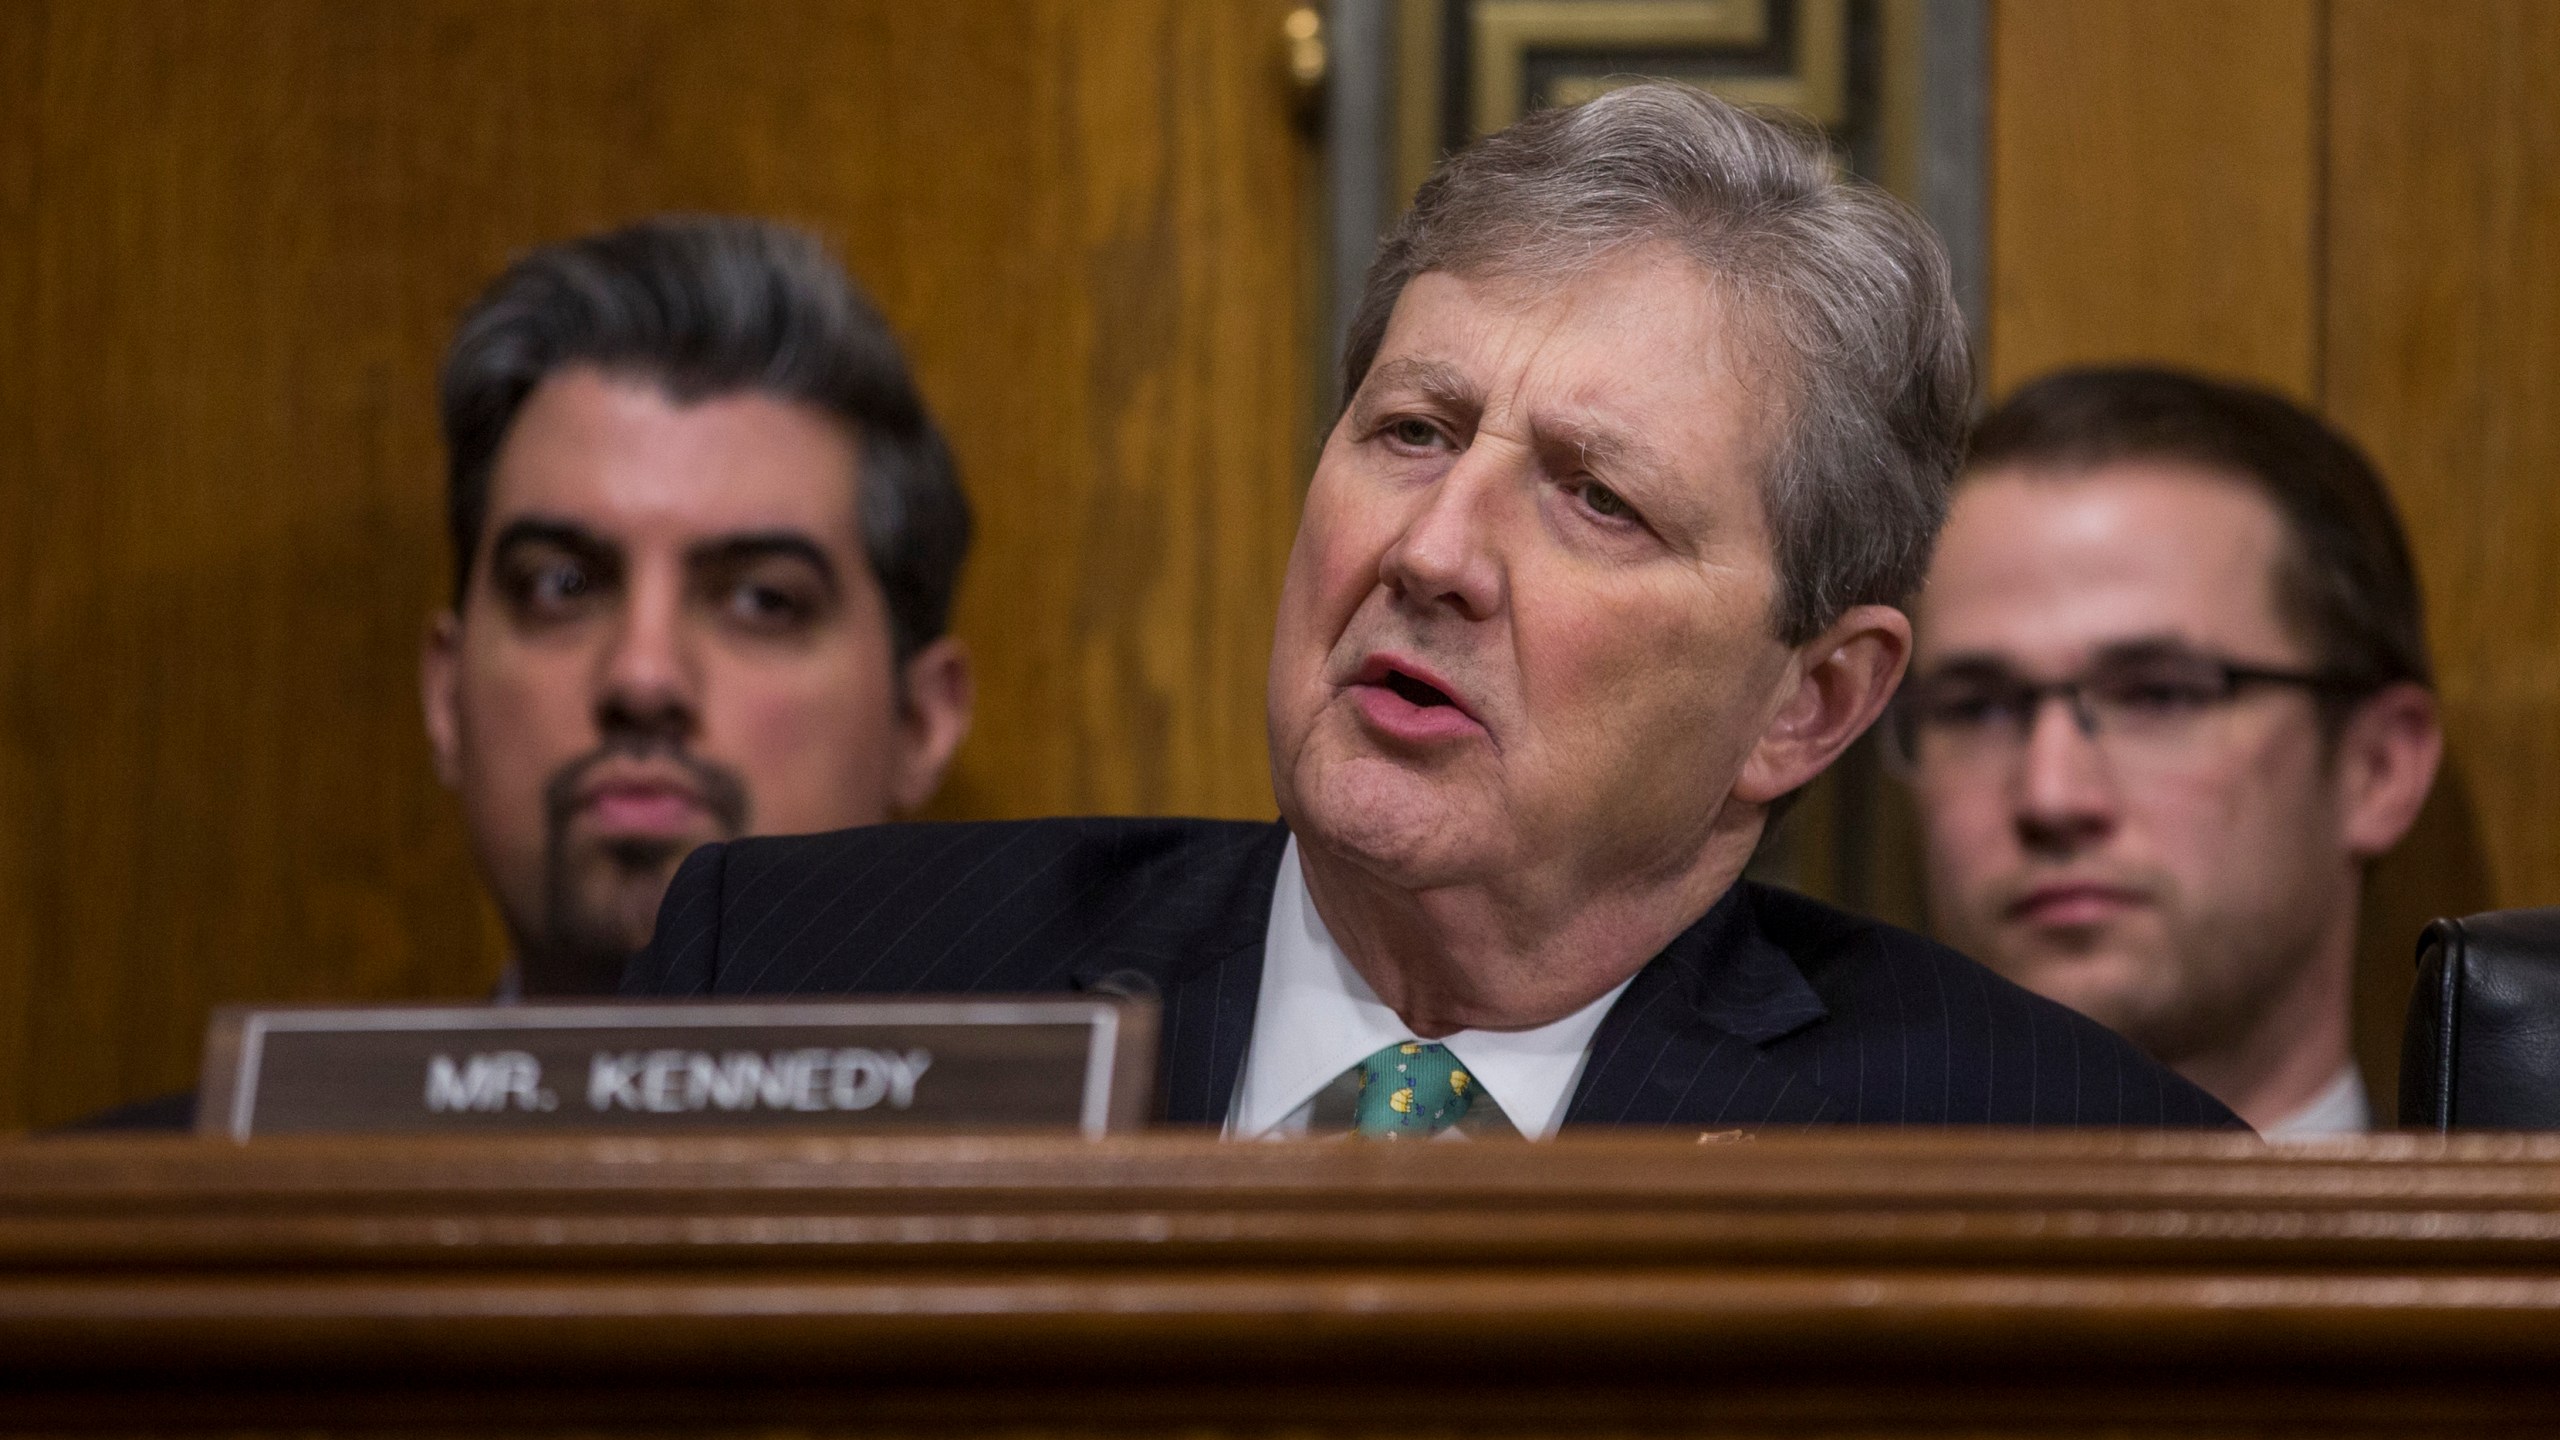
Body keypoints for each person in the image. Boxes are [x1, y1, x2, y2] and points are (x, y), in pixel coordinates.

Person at [627, 86, 2235, 1135]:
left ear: (1806, 702)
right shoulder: (786, 981)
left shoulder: (2055, 1158)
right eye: (1413, 433)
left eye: (1595, 499)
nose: (1436, 552)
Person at [422, 215, 976, 996]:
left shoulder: (1129, 1121)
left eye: (762, 600)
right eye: (562, 586)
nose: (643, 679)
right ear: (445, 699)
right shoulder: (230, 1125)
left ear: (920, 725)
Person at [1894, 366, 2440, 1135]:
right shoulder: (1782, 1252)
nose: (2051, 796)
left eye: (2159, 696)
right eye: (1976, 707)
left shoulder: (2512, 1258)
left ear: (2378, 769)